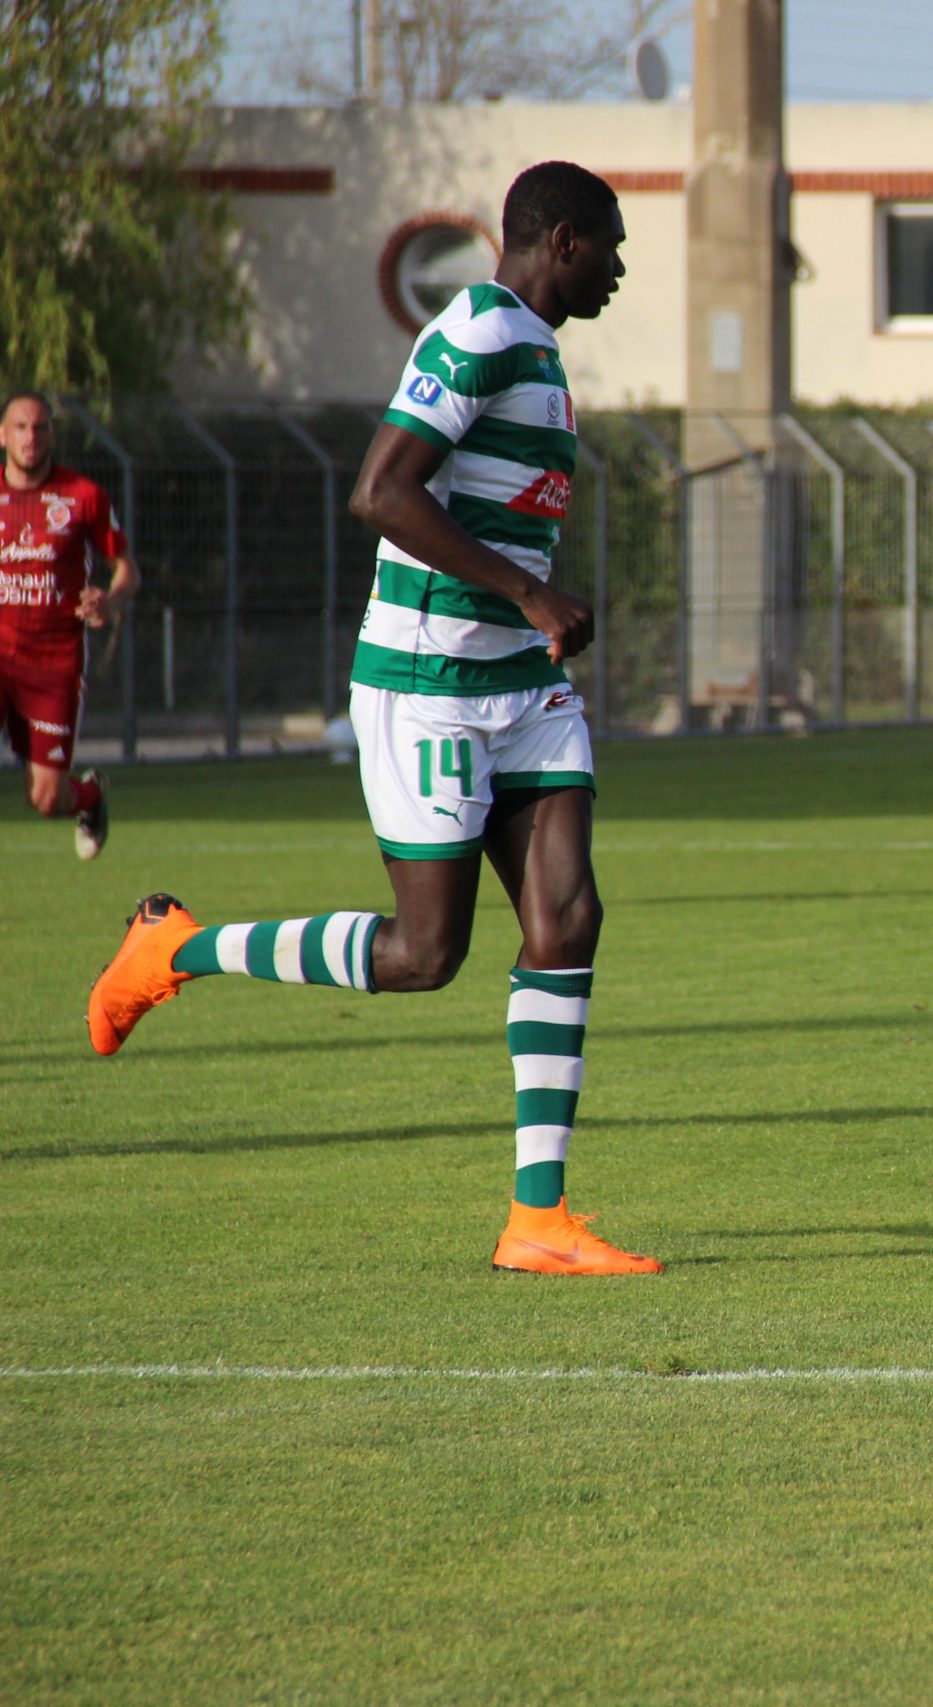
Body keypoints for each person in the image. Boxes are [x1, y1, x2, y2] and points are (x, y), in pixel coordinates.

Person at [85, 162, 656, 1276]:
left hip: (521, 687)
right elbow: (382, 490)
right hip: (429, 677)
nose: (624, 269)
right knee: (424, 953)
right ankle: (176, 946)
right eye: (616, 247)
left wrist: (529, 609)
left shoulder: (537, 351)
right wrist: (530, 592)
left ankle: (538, 1219)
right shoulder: (480, 330)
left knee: (568, 918)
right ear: (565, 241)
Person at [1, 391, 137, 859]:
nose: (29, 437)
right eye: (20, 427)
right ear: (3, 435)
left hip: (53, 666)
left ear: (52, 435)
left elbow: (127, 571)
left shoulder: (82, 497)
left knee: (45, 800)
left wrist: (109, 601)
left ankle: (90, 796)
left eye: (39, 427)